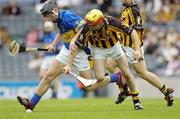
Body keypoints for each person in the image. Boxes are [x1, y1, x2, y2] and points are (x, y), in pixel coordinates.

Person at [16, 0, 124, 112]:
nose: (46, 19)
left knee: (89, 86)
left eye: (47, 16)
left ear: (54, 11)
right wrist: (53, 44)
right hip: (66, 50)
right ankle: (31, 104)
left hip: (80, 53)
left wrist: (74, 39)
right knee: (48, 76)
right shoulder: (58, 19)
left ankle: (116, 77)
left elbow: (84, 26)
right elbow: (62, 32)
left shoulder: (67, 16)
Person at [64, 9, 144, 110]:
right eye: (89, 24)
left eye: (92, 24)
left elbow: (132, 32)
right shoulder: (87, 28)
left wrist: (137, 50)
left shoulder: (113, 23)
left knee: (127, 73)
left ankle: (136, 101)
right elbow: (75, 47)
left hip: (115, 47)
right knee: (100, 78)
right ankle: (117, 77)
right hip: (98, 50)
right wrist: (69, 65)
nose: (90, 27)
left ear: (100, 22)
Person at [109, 0, 174, 106]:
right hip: (123, 45)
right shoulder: (127, 7)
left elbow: (137, 31)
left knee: (142, 73)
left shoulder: (134, 10)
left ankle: (167, 91)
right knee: (109, 64)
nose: (123, 0)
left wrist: (137, 49)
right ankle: (124, 89)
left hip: (132, 47)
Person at [39, 21, 61, 98]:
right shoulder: (45, 36)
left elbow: (59, 48)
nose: (46, 29)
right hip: (46, 58)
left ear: (51, 28)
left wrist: (54, 49)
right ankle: (51, 87)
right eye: (46, 28)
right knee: (41, 75)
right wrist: (43, 53)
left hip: (54, 57)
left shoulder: (54, 36)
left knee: (55, 77)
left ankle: (55, 94)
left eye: (48, 27)